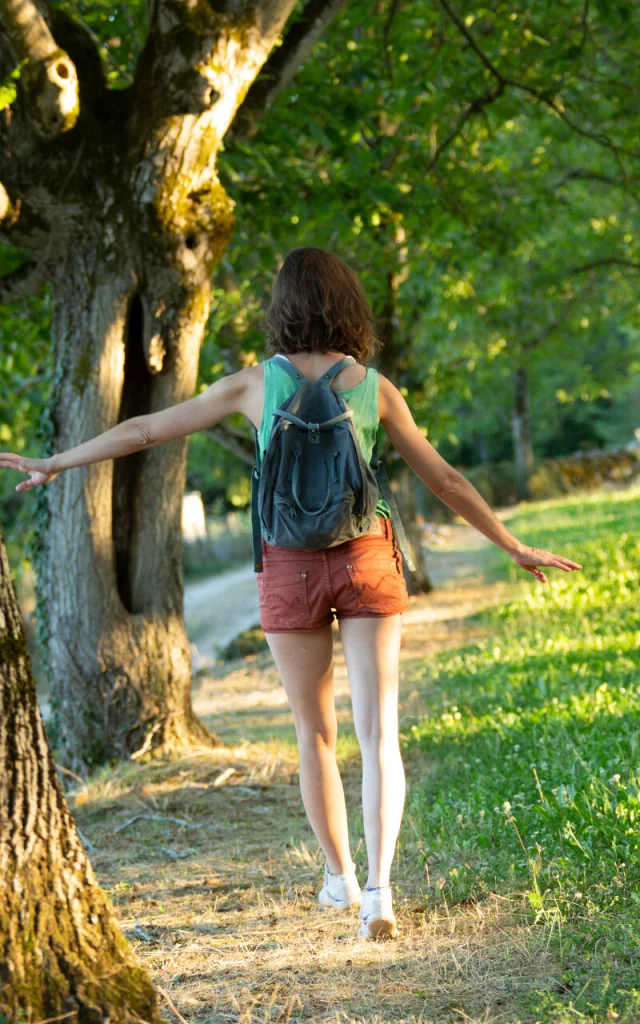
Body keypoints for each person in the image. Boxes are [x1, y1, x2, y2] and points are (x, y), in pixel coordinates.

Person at [0, 246, 582, 942]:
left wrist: (57, 462)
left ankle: (337, 878)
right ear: (349, 306)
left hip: (288, 564)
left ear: (282, 309)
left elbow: (145, 430)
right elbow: (446, 479)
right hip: (366, 555)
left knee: (316, 734)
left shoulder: (253, 386)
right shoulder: (374, 387)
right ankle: (378, 893)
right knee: (378, 732)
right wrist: (511, 545)